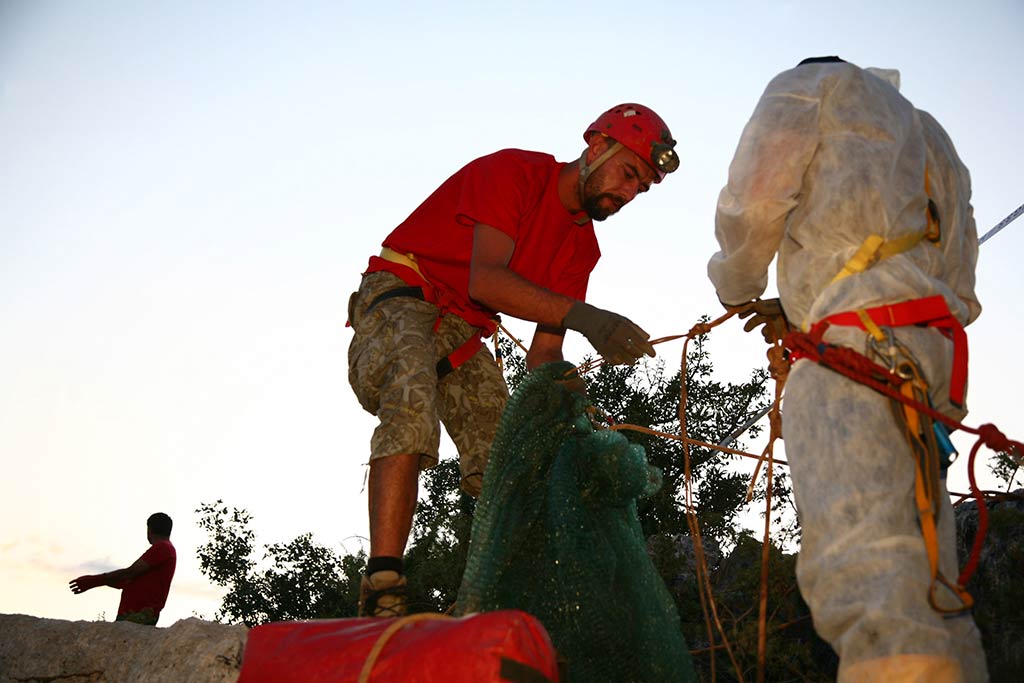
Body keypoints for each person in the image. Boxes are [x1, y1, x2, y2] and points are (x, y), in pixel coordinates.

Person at [707, 57, 988, 682]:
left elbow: (756, 201)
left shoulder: (813, 86)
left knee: (863, 558)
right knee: (927, 568)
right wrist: (818, 299)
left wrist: (737, 283)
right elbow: (960, 281)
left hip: (855, 350)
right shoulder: (931, 135)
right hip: (929, 353)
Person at [347, 103, 679, 617]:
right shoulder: (515, 174)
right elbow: (487, 280)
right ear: (596, 148)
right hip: (402, 290)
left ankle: (492, 597)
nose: (630, 191)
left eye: (643, 187)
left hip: (462, 331)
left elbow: (546, 350)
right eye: (629, 172)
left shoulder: (581, 250)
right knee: (413, 400)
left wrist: (569, 404)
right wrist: (589, 318)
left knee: (509, 451)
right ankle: (383, 581)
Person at [69, 512, 177, 626]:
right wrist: (101, 581)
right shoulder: (164, 549)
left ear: (149, 530)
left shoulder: (163, 548)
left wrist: (94, 581)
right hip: (135, 614)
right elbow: (126, 580)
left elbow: (128, 573)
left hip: (138, 614)